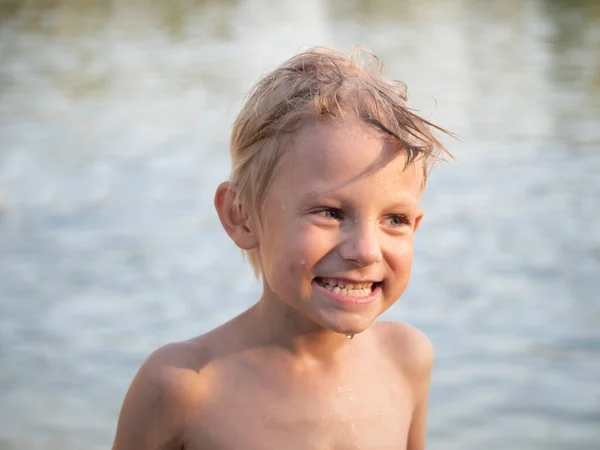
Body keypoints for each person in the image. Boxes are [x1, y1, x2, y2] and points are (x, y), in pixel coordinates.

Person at [112, 46, 453, 450]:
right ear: (241, 215)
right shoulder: (185, 386)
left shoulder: (406, 359)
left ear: (415, 225)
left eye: (394, 220)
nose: (366, 251)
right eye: (329, 212)